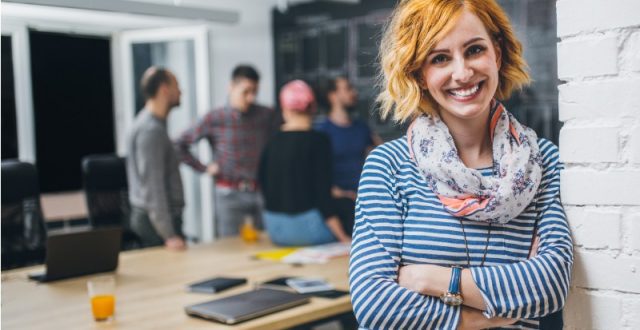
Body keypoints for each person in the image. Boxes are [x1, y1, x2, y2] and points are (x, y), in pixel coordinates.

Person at [348, 1, 573, 329]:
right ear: (420, 75)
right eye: (439, 58)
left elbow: (551, 285)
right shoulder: (389, 165)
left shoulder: (543, 162)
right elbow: (373, 303)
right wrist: (495, 316)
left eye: (474, 50)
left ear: (496, 54)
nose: (463, 73)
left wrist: (432, 280)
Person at [175, 65, 279, 237]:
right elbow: (179, 144)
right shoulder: (215, 117)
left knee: (266, 246)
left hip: (261, 193)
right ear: (231, 87)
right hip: (229, 195)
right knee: (231, 249)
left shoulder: (266, 115)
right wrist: (205, 168)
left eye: (255, 92)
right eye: (246, 91)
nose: (250, 98)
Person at [258, 80, 351, 246]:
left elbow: (262, 184)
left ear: (285, 109)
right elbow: (323, 196)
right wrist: (343, 237)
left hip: (275, 230)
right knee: (350, 206)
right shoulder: (319, 141)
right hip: (309, 231)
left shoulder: (270, 142)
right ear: (312, 107)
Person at [126, 67, 186, 251]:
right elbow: (153, 187)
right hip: (155, 225)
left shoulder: (154, 125)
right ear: (164, 89)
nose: (180, 91)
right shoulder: (150, 130)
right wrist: (168, 234)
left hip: (157, 221)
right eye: (176, 85)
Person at [316, 77, 382, 235]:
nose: (354, 93)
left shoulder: (361, 127)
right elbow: (315, 176)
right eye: (347, 89)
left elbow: (384, 151)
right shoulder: (322, 132)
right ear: (332, 96)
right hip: (339, 202)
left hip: (365, 198)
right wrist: (341, 193)